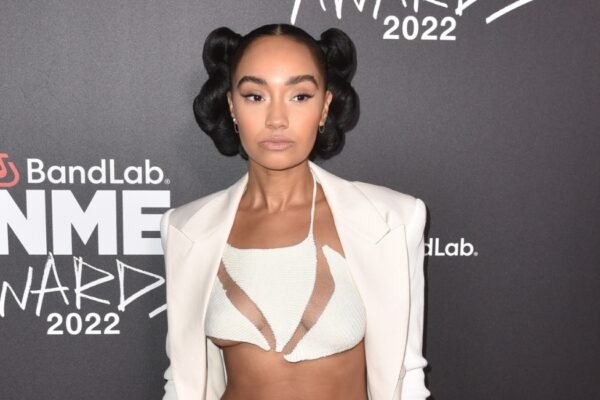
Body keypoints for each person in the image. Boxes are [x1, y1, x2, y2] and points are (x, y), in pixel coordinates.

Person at [159, 23, 431, 400]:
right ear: (232, 106)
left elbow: (407, 377)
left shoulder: (392, 219)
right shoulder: (185, 228)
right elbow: (181, 380)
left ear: (325, 107)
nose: (277, 119)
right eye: (255, 96)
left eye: (299, 96)